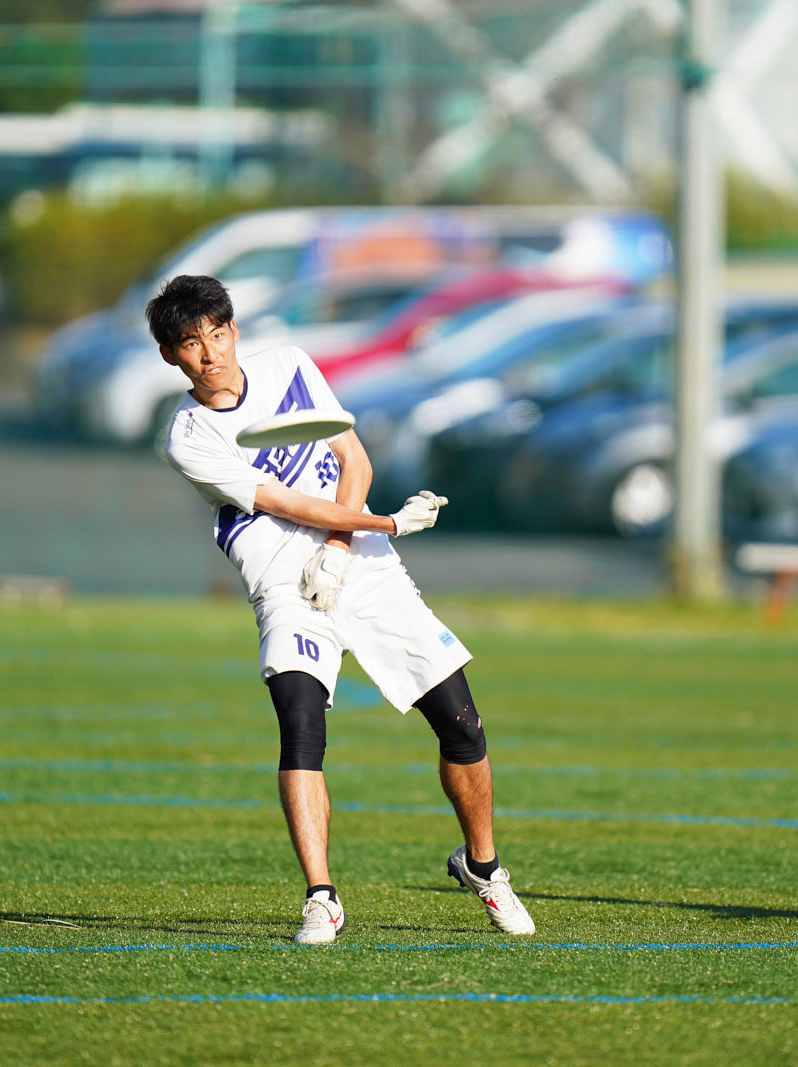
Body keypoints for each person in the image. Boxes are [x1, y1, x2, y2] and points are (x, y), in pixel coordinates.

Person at [146, 274, 535, 945]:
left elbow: (352, 459)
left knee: (462, 725)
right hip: (284, 584)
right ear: (170, 356)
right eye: (190, 343)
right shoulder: (189, 436)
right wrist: (386, 523)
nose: (210, 353)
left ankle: (482, 867)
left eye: (217, 333)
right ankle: (321, 898)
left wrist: (340, 548)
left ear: (234, 330)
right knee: (300, 727)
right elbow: (285, 502)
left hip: (365, 569)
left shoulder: (289, 365)